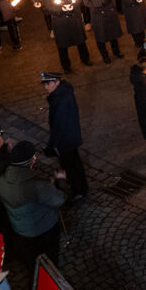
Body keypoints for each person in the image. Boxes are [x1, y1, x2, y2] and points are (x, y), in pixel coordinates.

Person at [0, 141, 65, 267]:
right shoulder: (37, 186)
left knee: (31, 260)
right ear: (31, 161)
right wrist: (60, 181)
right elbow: (59, 199)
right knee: (50, 259)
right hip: (45, 230)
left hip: (21, 231)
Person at [41, 71, 88, 199]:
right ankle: (81, 188)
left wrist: (54, 145)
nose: (45, 87)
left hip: (66, 140)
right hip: (69, 137)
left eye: (48, 84)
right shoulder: (61, 94)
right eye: (45, 84)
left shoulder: (60, 99)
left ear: (56, 82)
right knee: (74, 163)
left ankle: (78, 191)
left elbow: (59, 126)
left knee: (71, 166)